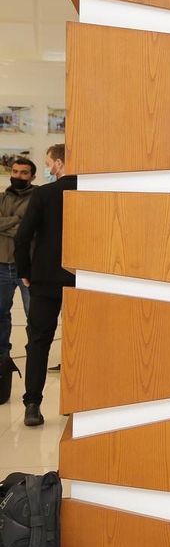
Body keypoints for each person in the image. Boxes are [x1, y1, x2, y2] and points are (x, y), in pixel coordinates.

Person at [14, 144, 75, 427]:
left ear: (60, 163)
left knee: (38, 342)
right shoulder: (93, 193)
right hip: (82, 280)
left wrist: (25, 271)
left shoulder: (43, 194)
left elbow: (23, 236)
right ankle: (78, 403)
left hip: (45, 279)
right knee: (81, 342)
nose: (49, 168)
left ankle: (32, 405)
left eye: (50, 163)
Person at [0, 158, 35, 365]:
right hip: (1, 265)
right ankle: (2, 357)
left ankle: (35, 356)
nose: (18, 176)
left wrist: (6, 226)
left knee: (34, 316)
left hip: (28, 268)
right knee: (1, 314)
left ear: (32, 176)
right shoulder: (1, 197)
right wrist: (18, 222)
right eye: (15, 172)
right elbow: (24, 230)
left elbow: (33, 231)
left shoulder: (38, 198)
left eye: (23, 172)